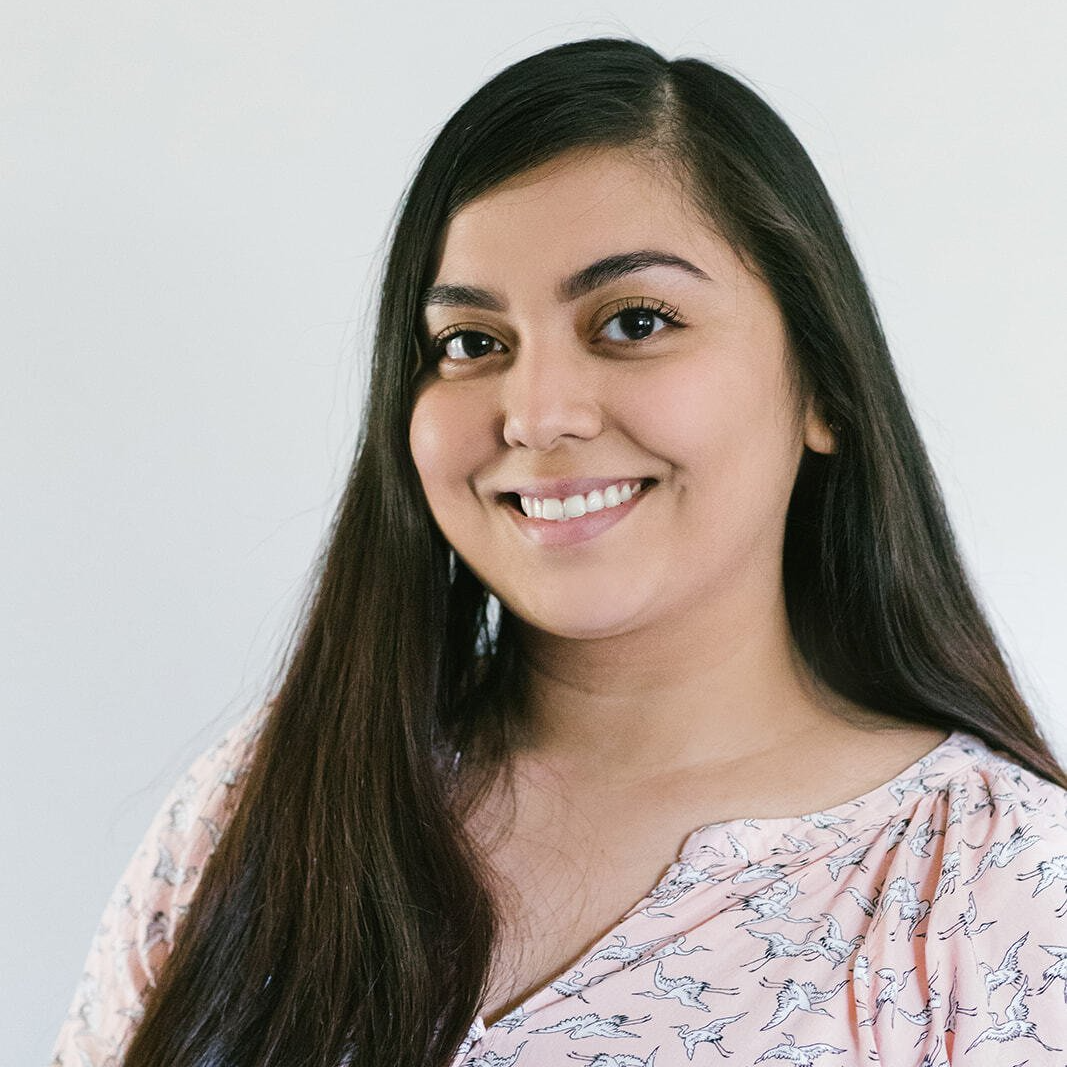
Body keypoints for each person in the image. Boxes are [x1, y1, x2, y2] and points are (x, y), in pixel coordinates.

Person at [52, 37, 1067, 1067]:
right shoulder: (267, 796)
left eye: (634, 321)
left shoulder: (997, 889)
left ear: (825, 387)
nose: (535, 415)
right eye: (471, 343)